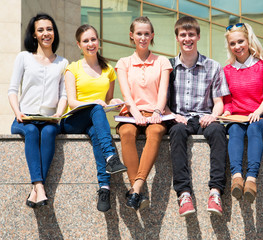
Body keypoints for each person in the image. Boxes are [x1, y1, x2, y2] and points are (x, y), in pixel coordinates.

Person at [167, 16, 230, 217]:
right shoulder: (167, 67)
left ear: (198, 36)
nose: (187, 39)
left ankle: (215, 192)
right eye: (183, 35)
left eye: (191, 34)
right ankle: (184, 194)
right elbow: (162, 102)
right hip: (179, 119)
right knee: (176, 133)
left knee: (219, 131)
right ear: (177, 38)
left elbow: (219, 103)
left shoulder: (213, 66)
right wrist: (173, 115)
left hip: (205, 117)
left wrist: (213, 116)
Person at [60, 24, 127, 212]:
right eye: (86, 41)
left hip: (94, 120)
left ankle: (104, 188)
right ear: (79, 45)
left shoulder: (109, 70)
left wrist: (113, 102)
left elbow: (105, 102)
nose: (90, 43)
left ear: (98, 41)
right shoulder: (72, 68)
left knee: (97, 134)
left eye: (93, 39)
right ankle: (111, 156)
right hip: (73, 121)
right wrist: (95, 103)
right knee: (96, 109)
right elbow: (72, 102)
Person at [8, 13, 68, 208]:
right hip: (24, 118)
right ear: (34, 34)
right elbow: (12, 90)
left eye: (49, 29)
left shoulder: (63, 63)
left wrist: (58, 114)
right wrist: (18, 112)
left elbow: (64, 95)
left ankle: (36, 190)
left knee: (50, 132)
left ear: (54, 32)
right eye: (40, 30)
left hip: (49, 119)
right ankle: (39, 185)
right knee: (32, 131)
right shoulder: (24, 57)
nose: (45, 33)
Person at [115, 16, 172, 211]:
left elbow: (163, 91)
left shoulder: (162, 62)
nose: (143, 37)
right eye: (139, 34)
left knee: (156, 132)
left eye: (147, 34)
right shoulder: (123, 62)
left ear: (152, 35)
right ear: (132, 36)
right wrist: (135, 112)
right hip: (131, 113)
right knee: (126, 133)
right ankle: (138, 189)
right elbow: (125, 93)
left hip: (156, 113)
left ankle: (135, 189)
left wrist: (157, 110)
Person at [222, 23, 263, 203]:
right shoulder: (227, 70)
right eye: (233, 43)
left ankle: (251, 180)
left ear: (248, 41)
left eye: (240, 41)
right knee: (234, 130)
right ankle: (237, 178)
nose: (237, 46)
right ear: (229, 46)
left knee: (254, 128)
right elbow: (228, 99)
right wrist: (228, 111)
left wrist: (257, 112)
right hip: (239, 119)